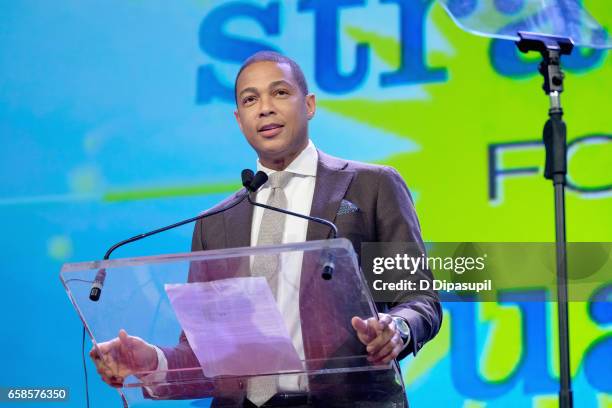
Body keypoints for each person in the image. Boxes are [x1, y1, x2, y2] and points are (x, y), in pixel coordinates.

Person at [91, 51, 442, 407]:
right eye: (250, 99)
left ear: (309, 105)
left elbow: (419, 300)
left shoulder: (372, 187)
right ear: (239, 119)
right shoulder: (215, 223)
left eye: (280, 93)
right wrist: (151, 361)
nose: (265, 108)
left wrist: (397, 329)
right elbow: (205, 356)